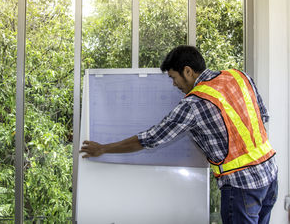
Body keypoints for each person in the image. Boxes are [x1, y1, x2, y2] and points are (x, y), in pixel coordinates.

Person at [80, 45, 278, 224]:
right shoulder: (239, 76)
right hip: (269, 176)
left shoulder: (194, 103)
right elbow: (262, 116)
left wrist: (103, 148)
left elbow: (151, 138)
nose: (174, 84)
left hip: (241, 186)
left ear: (188, 71)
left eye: (174, 78)